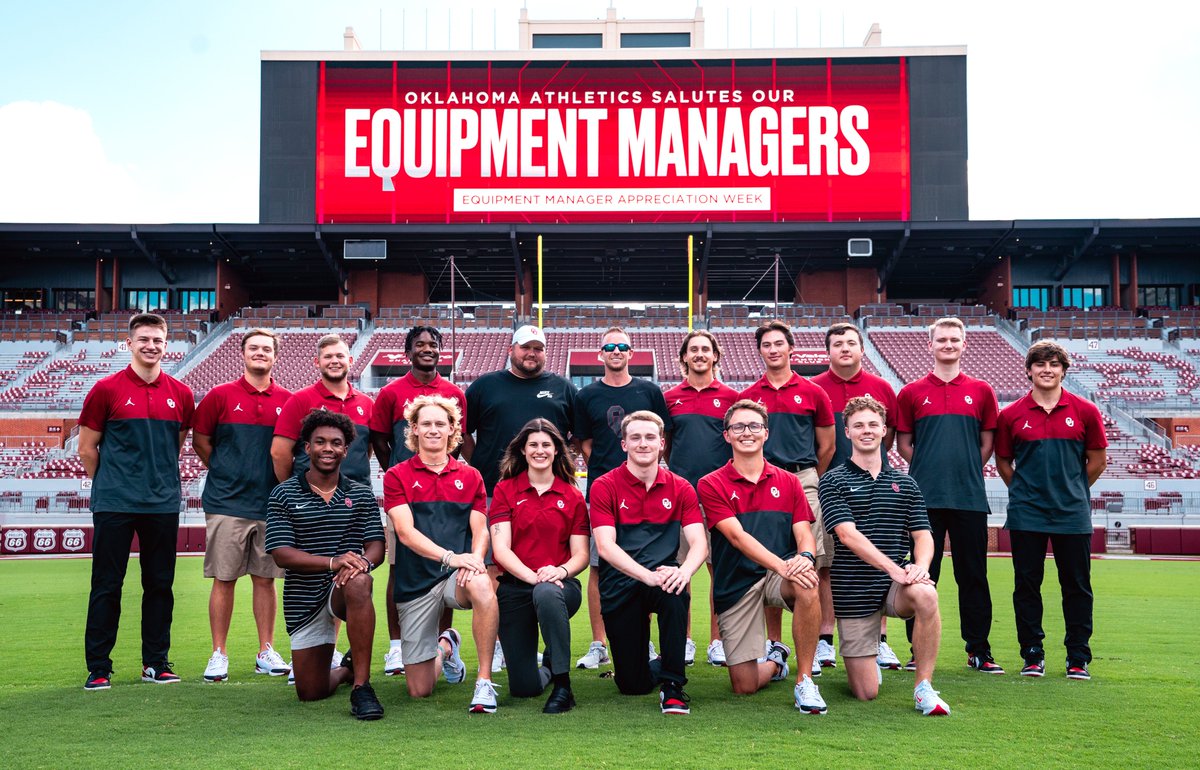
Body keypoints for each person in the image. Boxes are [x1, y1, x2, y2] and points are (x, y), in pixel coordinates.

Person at [79, 313, 195, 690]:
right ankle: (98, 667)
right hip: (114, 502)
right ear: (129, 343)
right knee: (107, 585)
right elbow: (86, 449)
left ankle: (156, 662)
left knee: (160, 585)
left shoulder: (181, 393)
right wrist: (115, 482)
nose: (151, 346)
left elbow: (173, 447)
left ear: (166, 345)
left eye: (157, 340)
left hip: (161, 502)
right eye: (143, 339)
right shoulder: (105, 389)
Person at [819, 396, 950, 716]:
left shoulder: (905, 484)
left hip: (897, 585)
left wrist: (919, 568)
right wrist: (895, 568)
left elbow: (923, 535)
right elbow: (847, 535)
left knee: (926, 594)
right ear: (846, 432)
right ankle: (864, 659)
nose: (867, 430)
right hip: (854, 592)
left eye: (873, 425)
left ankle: (923, 687)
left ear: (884, 431)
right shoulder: (832, 481)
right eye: (858, 425)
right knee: (865, 692)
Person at [698, 400, 826, 714]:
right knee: (745, 686)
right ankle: (776, 659)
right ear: (727, 435)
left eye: (754, 426)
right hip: (736, 582)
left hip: (776, 577)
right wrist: (785, 565)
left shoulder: (790, 481)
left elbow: (803, 531)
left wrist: (806, 557)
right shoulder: (710, 483)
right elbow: (737, 537)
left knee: (807, 583)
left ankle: (805, 680)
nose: (747, 432)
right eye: (738, 427)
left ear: (765, 433)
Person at [895, 317, 1003, 674]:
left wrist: (964, 469)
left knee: (973, 576)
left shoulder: (982, 390)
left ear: (964, 344)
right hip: (923, 500)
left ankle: (979, 650)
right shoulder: (911, 392)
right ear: (930, 345)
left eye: (954, 339)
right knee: (922, 575)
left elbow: (987, 443)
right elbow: (905, 444)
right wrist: (930, 469)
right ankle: (916, 650)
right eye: (941, 339)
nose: (948, 344)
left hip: (969, 498)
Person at [995, 341, 1107, 680]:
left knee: (1077, 585)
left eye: (1054, 364)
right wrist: (1024, 491)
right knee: (1026, 585)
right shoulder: (1011, 414)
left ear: (1063, 370)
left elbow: (1098, 462)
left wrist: (1070, 489)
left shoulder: (1086, 411)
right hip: (1027, 513)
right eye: (1040, 363)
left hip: (1071, 513)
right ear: (1029, 370)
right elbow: (1003, 462)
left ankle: (1078, 657)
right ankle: (1032, 654)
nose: (1047, 369)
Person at [265, 410, 385, 720]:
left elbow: (376, 547)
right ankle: (346, 671)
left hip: (342, 588)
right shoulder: (284, 494)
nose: (328, 448)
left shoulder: (359, 493)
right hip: (303, 597)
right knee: (311, 692)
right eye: (320, 442)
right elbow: (281, 554)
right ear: (307, 447)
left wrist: (361, 564)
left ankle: (362, 687)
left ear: (346, 449)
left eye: (336, 443)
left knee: (360, 581)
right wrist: (333, 562)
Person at [384, 395, 501, 713]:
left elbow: (480, 531)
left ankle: (484, 682)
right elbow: (405, 533)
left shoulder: (471, 476)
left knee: (481, 583)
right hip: (416, 583)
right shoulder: (396, 476)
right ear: (414, 430)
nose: (434, 429)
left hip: (457, 576)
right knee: (418, 690)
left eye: (440, 423)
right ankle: (447, 646)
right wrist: (451, 557)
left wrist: (475, 558)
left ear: (453, 429)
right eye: (426, 424)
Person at [589, 411, 707, 715]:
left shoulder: (680, 487)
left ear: (662, 443)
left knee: (675, 592)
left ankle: (672, 686)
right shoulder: (605, 485)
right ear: (624, 444)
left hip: (662, 578)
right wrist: (646, 576)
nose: (644, 443)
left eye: (650, 437)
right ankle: (660, 662)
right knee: (632, 685)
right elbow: (605, 546)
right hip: (621, 583)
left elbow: (699, 544)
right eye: (636, 437)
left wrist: (684, 571)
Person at [192, 328, 292, 683]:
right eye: (254, 348)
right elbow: (202, 443)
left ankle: (266, 650)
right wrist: (226, 471)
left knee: (266, 580)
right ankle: (218, 653)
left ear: (275, 356)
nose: (260, 353)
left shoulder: (288, 399)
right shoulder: (220, 396)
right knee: (224, 579)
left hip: (271, 503)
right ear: (243, 353)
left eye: (267, 349)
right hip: (227, 503)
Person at [368, 324, 466, 677]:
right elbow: (381, 442)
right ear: (408, 352)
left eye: (433, 344)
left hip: (446, 499)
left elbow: (460, 441)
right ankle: (397, 646)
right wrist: (403, 472)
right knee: (399, 567)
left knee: (448, 565)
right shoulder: (391, 393)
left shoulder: (454, 392)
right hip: (406, 498)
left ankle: (445, 640)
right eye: (420, 345)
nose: (428, 349)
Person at [740, 320, 835, 674]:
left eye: (779, 343)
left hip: (804, 477)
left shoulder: (813, 392)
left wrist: (806, 478)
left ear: (790, 348)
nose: (774, 349)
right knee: (771, 561)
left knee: (817, 561)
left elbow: (826, 445)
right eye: (767, 344)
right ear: (760, 350)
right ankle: (776, 643)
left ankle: (823, 640)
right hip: (762, 480)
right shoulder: (750, 396)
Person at [573, 327, 672, 670]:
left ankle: (642, 641)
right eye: (609, 347)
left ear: (632, 354)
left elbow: (664, 437)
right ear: (599, 354)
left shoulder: (649, 391)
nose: (616, 351)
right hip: (605, 489)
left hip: (647, 491)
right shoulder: (586, 396)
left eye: (623, 347)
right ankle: (600, 642)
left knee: (646, 560)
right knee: (600, 566)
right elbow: (584, 443)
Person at [810, 322, 900, 670]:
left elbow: (887, 439)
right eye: (837, 344)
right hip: (832, 488)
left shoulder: (881, 388)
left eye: (851, 343)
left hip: (873, 488)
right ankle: (824, 639)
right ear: (828, 351)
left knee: (876, 561)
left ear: (862, 348)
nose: (844, 348)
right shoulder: (815, 387)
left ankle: (879, 640)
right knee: (827, 565)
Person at [490, 419, 590, 713]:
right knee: (524, 688)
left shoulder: (571, 494)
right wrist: (534, 577)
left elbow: (581, 554)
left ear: (558, 451)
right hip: (516, 588)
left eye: (547, 444)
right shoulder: (506, 490)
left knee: (547, 593)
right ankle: (549, 663)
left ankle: (563, 685)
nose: (540, 450)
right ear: (522, 450)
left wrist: (559, 572)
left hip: (561, 587)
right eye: (533, 444)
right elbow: (500, 549)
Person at [663, 329, 741, 667]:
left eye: (705, 350)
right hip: (680, 498)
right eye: (692, 349)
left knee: (719, 570)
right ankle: (684, 640)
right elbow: (665, 448)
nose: (698, 355)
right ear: (683, 357)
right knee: (679, 570)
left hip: (719, 497)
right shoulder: (669, 398)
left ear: (715, 356)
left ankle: (717, 640)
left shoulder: (730, 397)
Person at [462, 325, 576, 496]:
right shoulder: (484, 386)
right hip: (493, 488)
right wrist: (479, 462)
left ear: (545, 353)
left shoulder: (564, 388)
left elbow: (581, 434)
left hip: (549, 491)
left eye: (538, 348)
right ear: (510, 349)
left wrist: (564, 461)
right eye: (525, 347)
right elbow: (463, 432)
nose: (532, 353)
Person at [271, 334, 374, 486]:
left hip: (357, 496)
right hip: (310, 498)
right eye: (328, 356)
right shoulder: (300, 400)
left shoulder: (367, 403)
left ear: (350, 361)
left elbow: (366, 450)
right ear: (317, 362)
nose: (334, 361)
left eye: (340, 356)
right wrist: (296, 489)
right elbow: (279, 452)